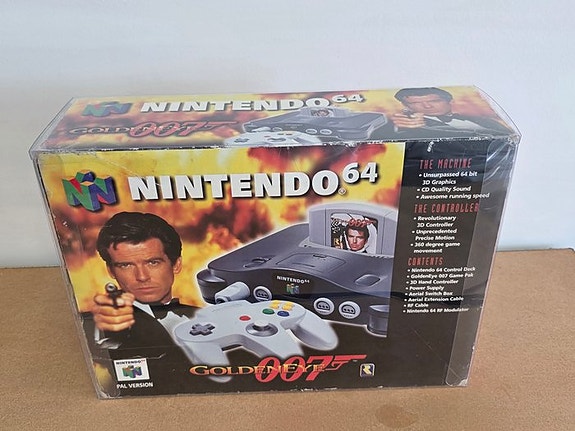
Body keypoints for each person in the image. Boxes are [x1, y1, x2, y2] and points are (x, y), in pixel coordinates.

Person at [85, 211, 201, 395]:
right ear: (111, 271)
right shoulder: (96, 324)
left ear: (176, 264)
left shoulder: (205, 316)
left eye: (153, 262)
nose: (142, 276)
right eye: (126, 265)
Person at [389, 87, 510, 137]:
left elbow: (505, 134)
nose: (427, 106)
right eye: (416, 103)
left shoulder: (482, 120)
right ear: (406, 106)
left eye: (435, 101)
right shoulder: (405, 126)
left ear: (450, 101)